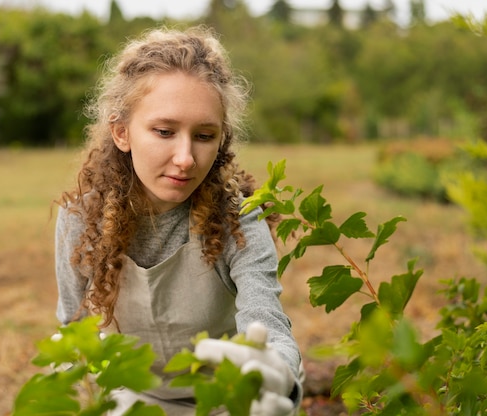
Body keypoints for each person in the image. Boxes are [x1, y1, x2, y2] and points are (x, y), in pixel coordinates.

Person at [54, 25, 303, 415]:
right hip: (129, 401)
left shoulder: (239, 218)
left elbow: (266, 322)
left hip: (228, 400)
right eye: (165, 131)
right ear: (122, 132)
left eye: (204, 136)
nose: (186, 158)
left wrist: (277, 377)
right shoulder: (80, 220)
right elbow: (74, 330)